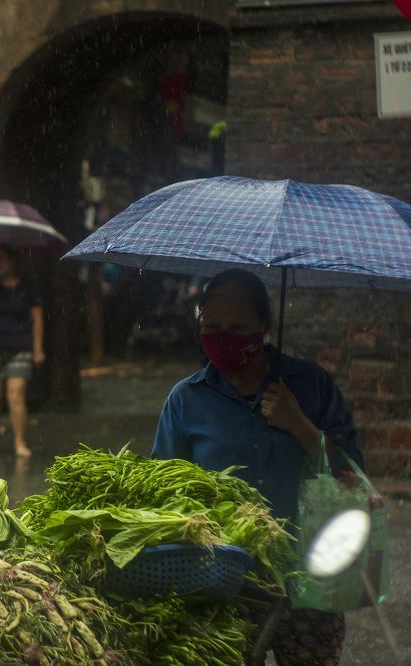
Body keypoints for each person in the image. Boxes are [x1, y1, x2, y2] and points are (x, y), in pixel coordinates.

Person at [152, 268, 363, 666]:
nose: (222, 337)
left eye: (237, 326)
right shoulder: (186, 400)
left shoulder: (311, 385)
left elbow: (351, 474)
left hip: (309, 582)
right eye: (211, 325)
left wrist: (299, 425)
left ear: (265, 326)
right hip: (222, 581)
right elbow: (160, 494)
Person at [0, 245, 45, 458]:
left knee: (16, 394)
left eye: (2, 258)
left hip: (20, 347)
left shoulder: (28, 288)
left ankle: (19, 441)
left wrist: (38, 349)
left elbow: (37, 319)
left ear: (13, 260)